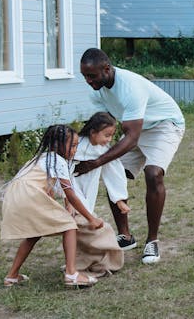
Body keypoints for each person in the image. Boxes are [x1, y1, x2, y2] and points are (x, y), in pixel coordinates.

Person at [76, 48, 185, 264]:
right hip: (135, 130)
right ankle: (125, 236)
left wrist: (97, 161)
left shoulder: (130, 87)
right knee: (113, 173)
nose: (88, 81)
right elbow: (103, 127)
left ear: (106, 69)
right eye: (85, 76)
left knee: (153, 174)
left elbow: (131, 137)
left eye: (92, 76)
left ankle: (152, 241)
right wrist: (78, 149)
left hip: (164, 125)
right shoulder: (96, 91)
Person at [0, 124, 103, 287]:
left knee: (34, 233)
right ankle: (71, 274)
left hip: (15, 195)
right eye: (73, 145)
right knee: (69, 226)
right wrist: (91, 219)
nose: (75, 150)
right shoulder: (58, 160)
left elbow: (59, 191)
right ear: (57, 145)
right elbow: (70, 193)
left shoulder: (43, 159)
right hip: (30, 194)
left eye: (77, 146)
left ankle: (11, 276)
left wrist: (69, 209)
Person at [69, 112, 127, 276]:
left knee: (83, 229)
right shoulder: (75, 147)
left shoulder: (103, 150)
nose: (109, 140)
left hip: (89, 193)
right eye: (106, 135)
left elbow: (113, 170)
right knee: (86, 227)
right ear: (93, 132)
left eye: (111, 135)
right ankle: (87, 262)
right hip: (74, 193)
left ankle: (83, 262)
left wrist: (119, 199)